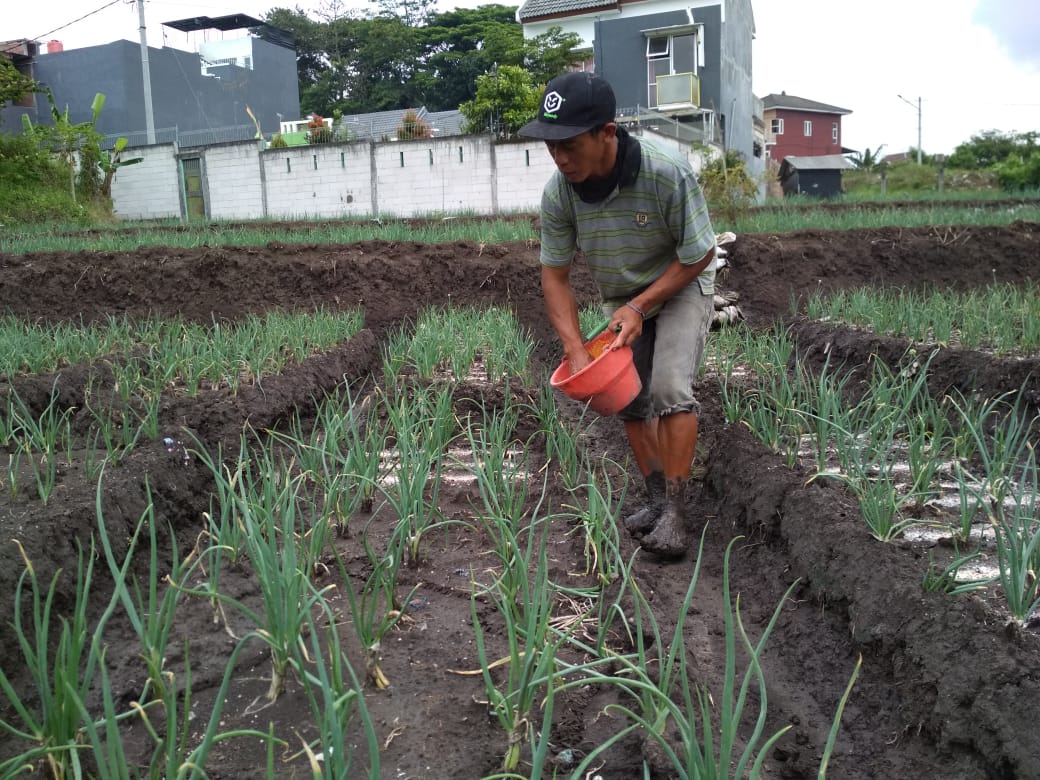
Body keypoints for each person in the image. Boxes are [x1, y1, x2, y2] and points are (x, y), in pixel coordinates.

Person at [519, 71, 717, 559]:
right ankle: (653, 498)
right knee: (626, 397)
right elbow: (555, 276)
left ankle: (676, 511)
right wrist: (574, 349)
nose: (560, 158)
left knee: (669, 388)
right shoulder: (560, 193)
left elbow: (699, 254)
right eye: (550, 145)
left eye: (569, 145)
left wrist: (640, 306)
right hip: (624, 297)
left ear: (606, 133)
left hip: (680, 285)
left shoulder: (665, 172)